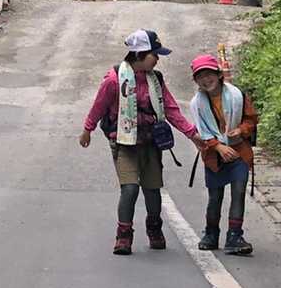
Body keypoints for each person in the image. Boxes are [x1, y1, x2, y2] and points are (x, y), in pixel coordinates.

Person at [80, 29, 201, 255]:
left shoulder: (155, 80)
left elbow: (170, 109)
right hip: (124, 143)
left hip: (150, 142)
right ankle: (123, 235)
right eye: (154, 54)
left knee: (153, 190)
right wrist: (88, 129)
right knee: (130, 189)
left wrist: (191, 133)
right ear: (139, 54)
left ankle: (154, 228)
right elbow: (99, 106)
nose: (157, 59)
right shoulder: (114, 79)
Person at [189, 53, 259, 255]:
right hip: (214, 156)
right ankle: (211, 233)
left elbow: (251, 119)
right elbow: (201, 132)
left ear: (219, 75)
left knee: (239, 192)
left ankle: (235, 236)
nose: (206, 80)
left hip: (239, 152)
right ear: (196, 81)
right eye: (200, 76)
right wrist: (218, 146)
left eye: (209, 74)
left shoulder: (238, 96)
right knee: (215, 196)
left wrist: (241, 131)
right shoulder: (197, 104)